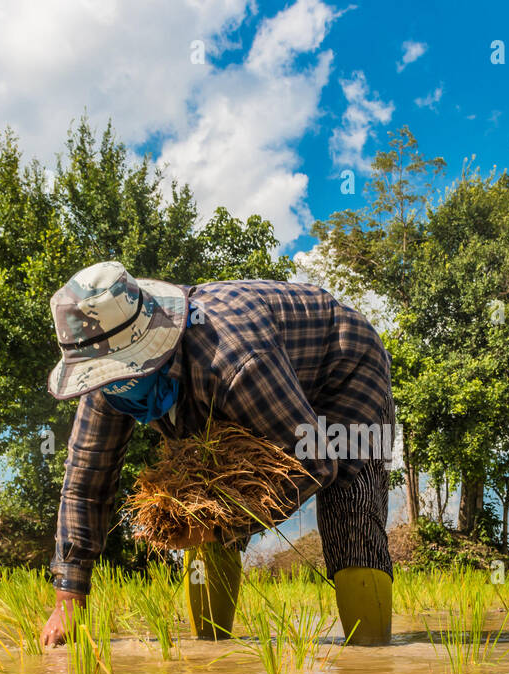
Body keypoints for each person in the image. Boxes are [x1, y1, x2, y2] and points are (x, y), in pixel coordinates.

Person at [37, 261, 395, 647]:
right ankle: (210, 657)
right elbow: (85, 483)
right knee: (200, 501)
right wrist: (69, 598)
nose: (116, 391)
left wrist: (223, 525)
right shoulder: (105, 383)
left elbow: (314, 459)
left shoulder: (233, 360)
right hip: (255, 386)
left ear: (152, 352)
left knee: (349, 505)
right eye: (108, 382)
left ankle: (370, 664)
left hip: (342, 368)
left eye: (125, 378)